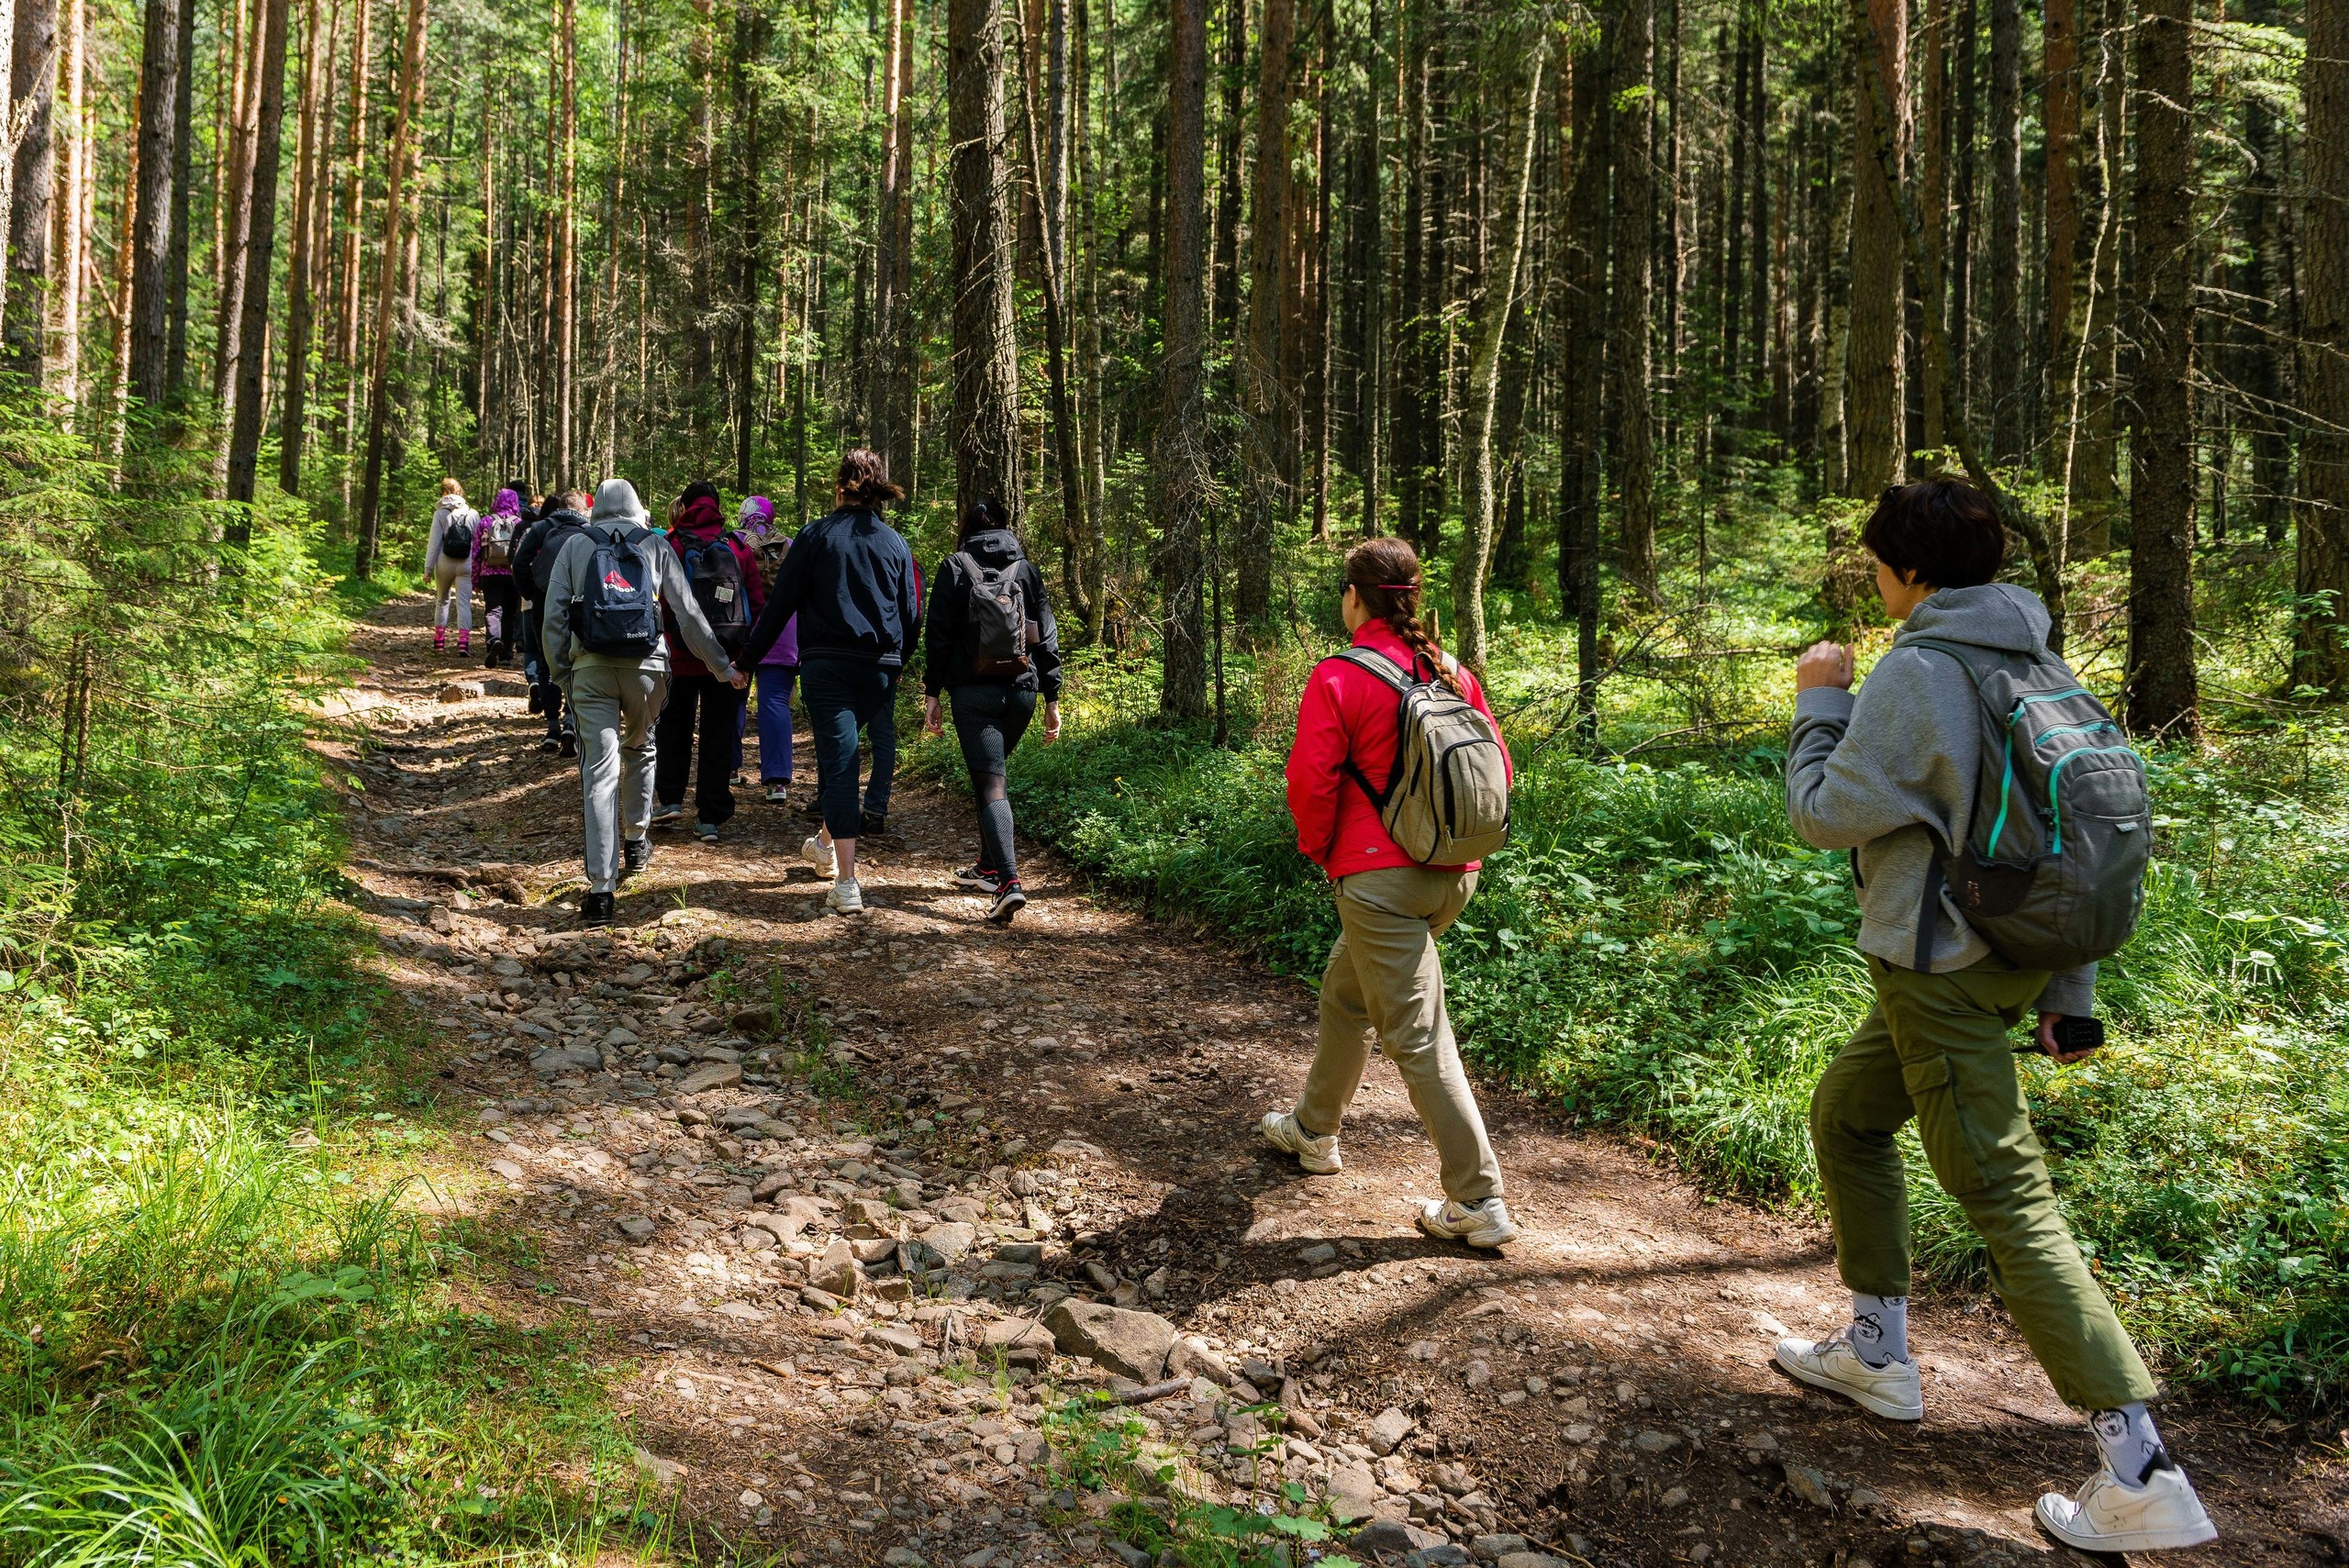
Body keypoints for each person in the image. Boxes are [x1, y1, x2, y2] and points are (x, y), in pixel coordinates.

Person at [1779, 479, 2214, 1554]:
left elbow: (1823, 814)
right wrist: (2073, 991)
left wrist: (1818, 702)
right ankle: (1876, 1351)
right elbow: (2081, 835)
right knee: (1846, 1114)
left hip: (1942, 967)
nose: (1872, 578)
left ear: (1912, 571)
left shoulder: (1920, 667)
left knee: (2007, 1196)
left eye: (1877, 561)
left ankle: (2139, 1466)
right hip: (2004, 959)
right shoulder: (2033, 657)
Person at [1260, 537, 1520, 1249]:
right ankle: (1314, 1129)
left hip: (1378, 885)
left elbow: (1309, 782)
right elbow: (1496, 762)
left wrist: (1326, 855)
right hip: (1454, 875)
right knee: (1347, 993)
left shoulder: (1340, 676)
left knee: (1419, 1034)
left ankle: (1478, 1197)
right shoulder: (1449, 668)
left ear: (1355, 597)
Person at [541, 478, 748, 928]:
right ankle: (636, 838)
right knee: (642, 745)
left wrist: (561, 672)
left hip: (590, 670)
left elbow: (554, 617)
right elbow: (688, 613)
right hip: (649, 669)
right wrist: (722, 667)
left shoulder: (575, 546)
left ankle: (600, 892)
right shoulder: (655, 546)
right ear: (638, 506)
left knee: (599, 772)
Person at [737, 450, 921, 917]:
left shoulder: (816, 535)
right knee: (843, 756)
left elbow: (779, 606)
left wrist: (746, 662)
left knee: (839, 766)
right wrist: (898, 663)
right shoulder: (896, 543)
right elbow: (912, 614)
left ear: (839, 486)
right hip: (880, 666)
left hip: (828, 666)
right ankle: (825, 843)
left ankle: (848, 882)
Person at [920, 497, 1063, 924]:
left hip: (973, 693)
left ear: (967, 527)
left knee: (991, 785)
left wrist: (932, 692)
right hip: (1022, 691)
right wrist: (1052, 698)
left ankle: (1009, 883)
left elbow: (938, 636)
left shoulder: (954, 567)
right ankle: (986, 868)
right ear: (1004, 526)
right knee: (994, 775)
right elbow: (1047, 635)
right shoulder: (1026, 568)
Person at [651, 481, 762, 842]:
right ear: (716, 505)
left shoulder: (670, 544)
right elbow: (756, 604)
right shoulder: (737, 546)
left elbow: (659, 601)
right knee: (718, 735)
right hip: (727, 660)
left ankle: (670, 799)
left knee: (673, 728)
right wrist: (746, 657)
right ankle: (710, 816)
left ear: (684, 506)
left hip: (679, 657)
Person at [734, 495, 802, 806]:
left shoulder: (735, 543)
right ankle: (777, 782)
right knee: (774, 703)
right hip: (783, 630)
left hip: (742, 629)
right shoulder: (790, 544)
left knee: (733, 698)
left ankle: (730, 767)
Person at [512, 490, 591, 755]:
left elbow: (519, 563)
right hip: (580, 604)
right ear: (581, 510)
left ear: (559, 507)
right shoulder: (590, 531)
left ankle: (552, 727)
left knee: (548, 661)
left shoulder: (541, 527)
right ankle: (571, 721)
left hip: (544, 601)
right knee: (578, 661)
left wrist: (530, 592)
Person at [474, 488, 528, 668]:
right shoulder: (520, 523)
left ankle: (493, 640)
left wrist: (475, 580)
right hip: (513, 574)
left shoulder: (486, 521)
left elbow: (476, 552)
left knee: (493, 611)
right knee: (511, 615)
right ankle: (506, 655)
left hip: (489, 574)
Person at [424, 479, 477, 656]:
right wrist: (478, 570)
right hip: (466, 562)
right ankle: (463, 643)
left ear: (443, 493)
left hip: (444, 562)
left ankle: (439, 642)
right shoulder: (473, 514)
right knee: (463, 603)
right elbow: (476, 544)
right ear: (460, 492)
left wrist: (428, 569)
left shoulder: (440, 514)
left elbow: (434, 543)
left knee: (442, 600)